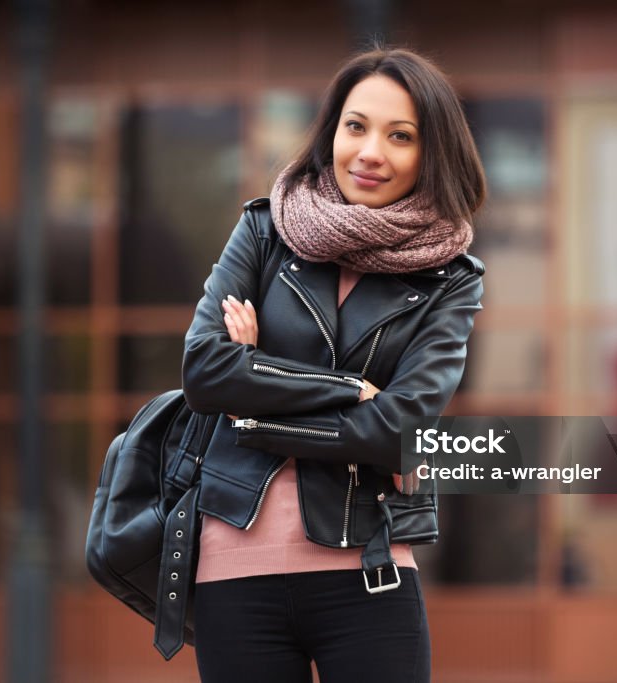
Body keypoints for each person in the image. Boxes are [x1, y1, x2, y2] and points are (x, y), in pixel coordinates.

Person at [180, 45, 486, 683]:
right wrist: (352, 390)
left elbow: (399, 427)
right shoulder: (266, 230)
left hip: (368, 568)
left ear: (432, 154)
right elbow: (206, 370)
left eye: (400, 137)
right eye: (356, 126)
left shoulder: (449, 279)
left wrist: (255, 398)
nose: (371, 152)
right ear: (332, 132)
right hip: (235, 571)